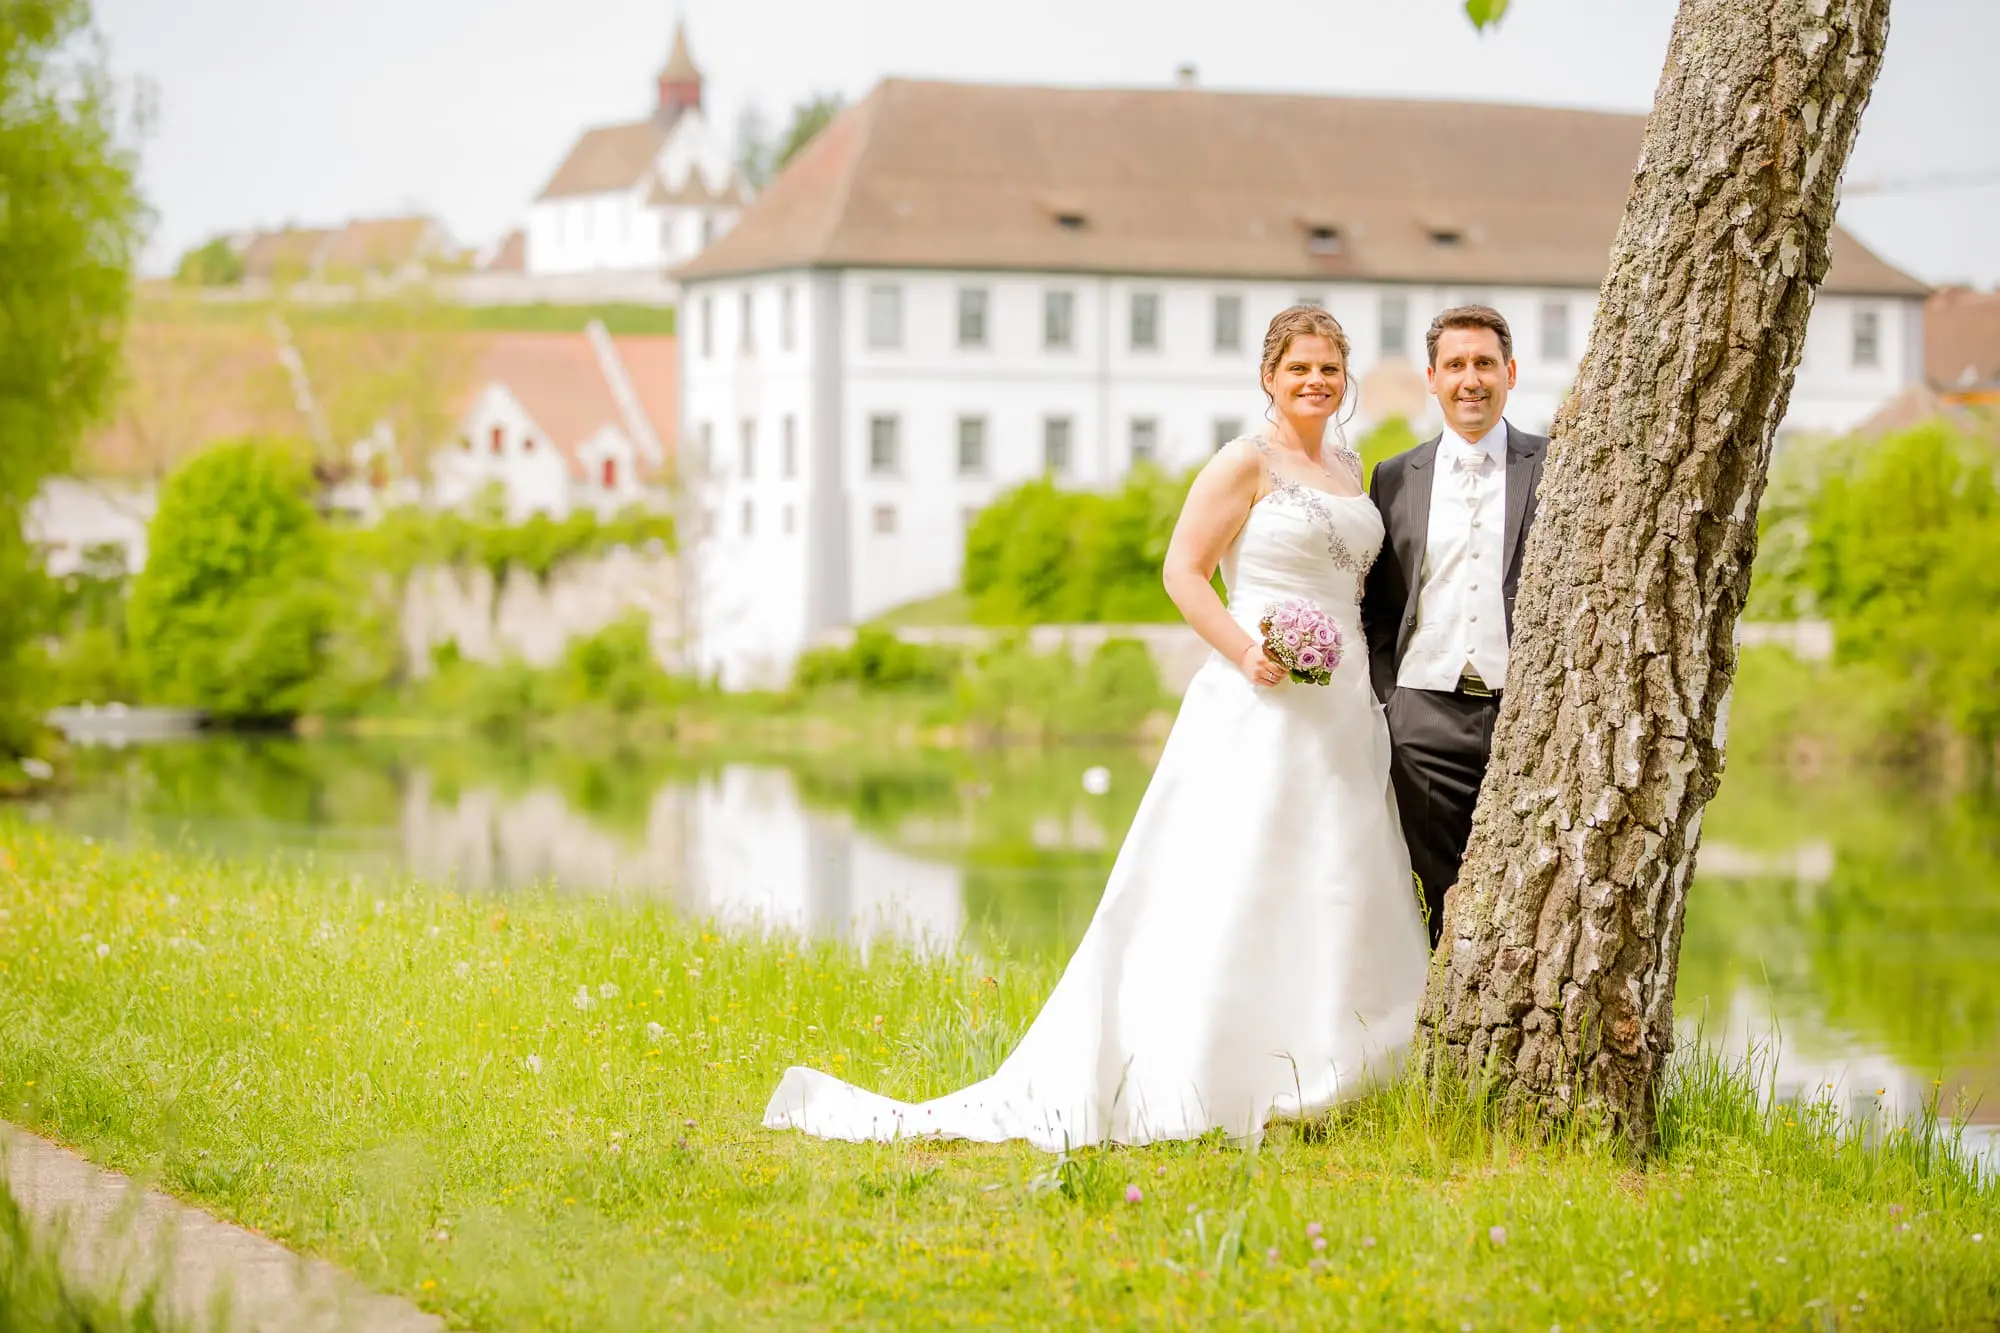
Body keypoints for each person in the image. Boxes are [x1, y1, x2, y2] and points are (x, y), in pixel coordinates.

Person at [762, 306, 1430, 1150]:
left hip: (1337, 707)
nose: (1315, 383)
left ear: (1346, 378)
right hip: (1255, 701)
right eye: (1299, 368)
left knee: (1338, 872)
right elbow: (1182, 571)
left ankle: (1341, 1066)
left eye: (1329, 369)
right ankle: (1216, 1070)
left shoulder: (1346, 463)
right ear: (1269, 375)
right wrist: (1247, 649)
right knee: (1237, 876)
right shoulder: (1242, 461)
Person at [1361, 306, 1548, 950]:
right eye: (1456, 366)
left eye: (1485, 364)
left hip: (1526, 717)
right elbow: (1380, 605)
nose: (1471, 379)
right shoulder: (1393, 476)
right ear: (1432, 379)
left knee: (1529, 901)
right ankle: (1442, 1035)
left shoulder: (1557, 467)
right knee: (1434, 902)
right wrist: (1392, 703)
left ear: (1510, 373)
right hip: (1422, 718)